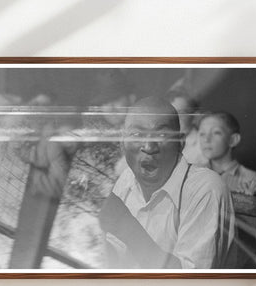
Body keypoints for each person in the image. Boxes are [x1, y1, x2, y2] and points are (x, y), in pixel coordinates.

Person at [99, 96, 236, 269]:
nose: (148, 147)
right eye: (137, 134)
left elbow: (191, 284)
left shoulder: (206, 187)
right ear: (122, 143)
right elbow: (113, 263)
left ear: (180, 143)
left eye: (162, 135)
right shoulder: (126, 179)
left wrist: (128, 229)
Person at [198, 111, 256, 195]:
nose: (206, 140)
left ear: (233, 140)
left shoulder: (251, 179)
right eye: (202, 134)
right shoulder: (194, 174)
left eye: (216, 133)